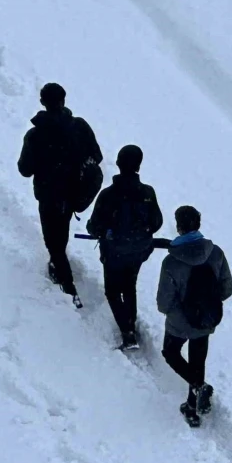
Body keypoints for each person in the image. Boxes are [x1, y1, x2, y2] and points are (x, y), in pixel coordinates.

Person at [18, 83, 103, 308]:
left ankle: (68, 285)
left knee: (52, 241)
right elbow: (98, 156)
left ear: (42, 102)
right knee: (61, 232)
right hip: (74, 194)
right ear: (64, 100)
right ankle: (59, 264)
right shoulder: (80, 127)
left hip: (48, 195)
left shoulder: (35, 135)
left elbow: (25, 169)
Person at [156, 206, 232, 427]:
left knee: (171, 352)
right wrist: (206, 303)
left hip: (179, 322)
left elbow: (164, 300)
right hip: (206, 319)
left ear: (179, 227)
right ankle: (193, 407)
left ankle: (200, 387)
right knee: (198, 361)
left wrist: (172, 313)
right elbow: (226, 288)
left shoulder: (171, 262)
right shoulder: (216, 253)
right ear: (198, 224)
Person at [86, 145, 163, 350]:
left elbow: (94, 226)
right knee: (129, 286)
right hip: (139, 251)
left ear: (118, 164)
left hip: (114, 252)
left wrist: (101, 232)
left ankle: (127, 333)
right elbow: (157, 222)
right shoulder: (148, 192)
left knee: (112, 291)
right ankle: (130, 324)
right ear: (138, 166)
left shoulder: (108, 195)